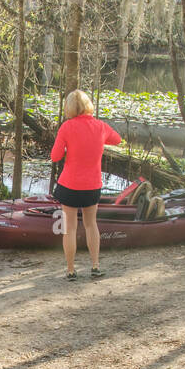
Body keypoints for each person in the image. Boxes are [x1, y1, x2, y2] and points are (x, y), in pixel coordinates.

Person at [49, 89, 122, 280]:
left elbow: (55, 156)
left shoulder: (66, 127)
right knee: (91, 225)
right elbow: (118, 140)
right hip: (92, 185)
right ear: (88, 105)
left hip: (70, 185)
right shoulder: (100, 126)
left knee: (70, 228)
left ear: (70, 108)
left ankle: (71, 270)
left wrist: (68, 150)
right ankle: (95, 266)